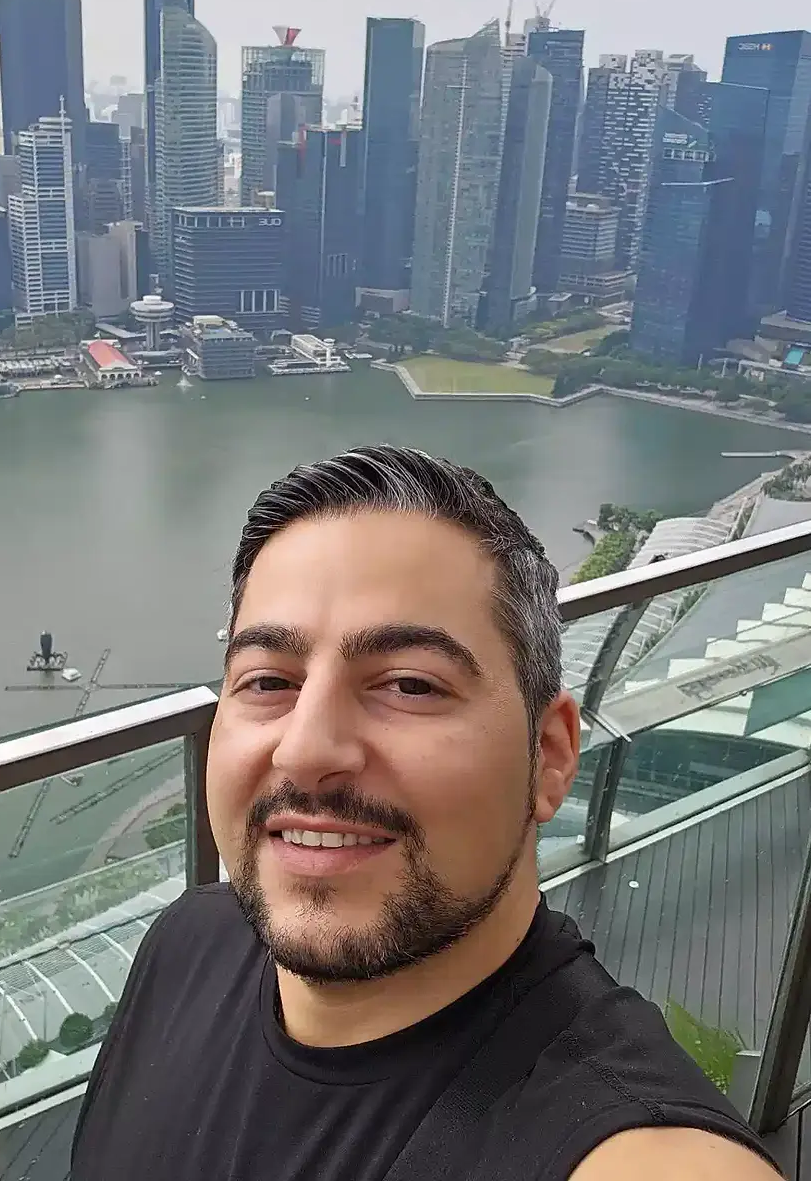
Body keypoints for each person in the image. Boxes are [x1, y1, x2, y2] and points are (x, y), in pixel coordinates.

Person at [71, 445, 781, 1180]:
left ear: (550, 755)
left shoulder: (626, 1149)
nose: (306, 748)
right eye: (268, 679)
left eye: (410, 684)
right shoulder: (186, 943)